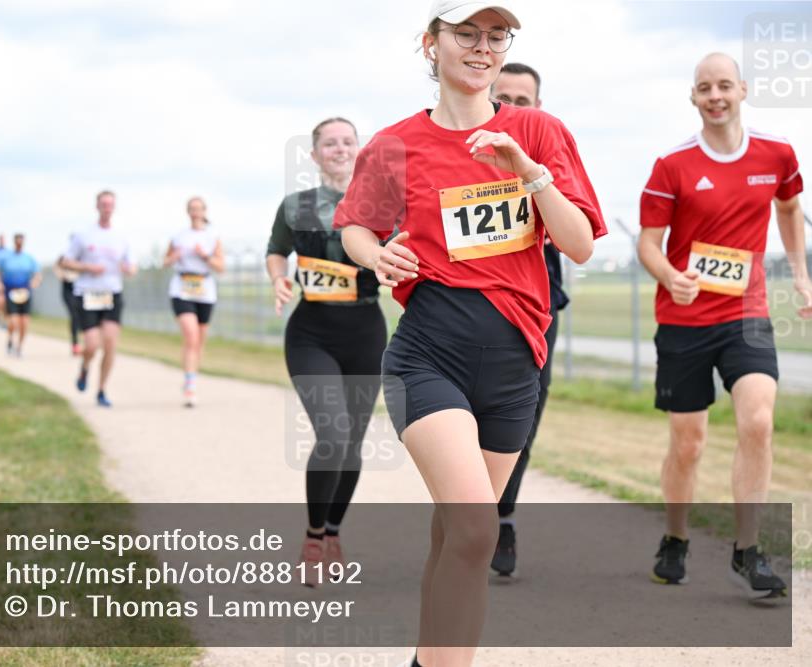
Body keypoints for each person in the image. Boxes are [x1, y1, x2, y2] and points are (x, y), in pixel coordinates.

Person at [335, 2, 605, 664]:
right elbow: (356, 226)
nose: (482, 47)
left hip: (516, 362)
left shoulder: (538, 130)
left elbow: (579, 244)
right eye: (466, 33)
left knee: (457, 537)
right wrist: (377, 256)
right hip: (429, 354)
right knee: (478, 529)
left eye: (497, 35)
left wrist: (529, 171)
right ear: (431, 44)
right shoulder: (396, 142)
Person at [638, 52, 809, 600]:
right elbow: (647, 242)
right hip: (684, 318)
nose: (715, 95)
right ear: (693, 97)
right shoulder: (672, 165)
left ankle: (748, 550)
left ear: (743, 90)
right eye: (704, 87)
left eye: (724, 86)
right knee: (689, 444)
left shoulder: (777, 154)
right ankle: (675, 536)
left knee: (758, 421)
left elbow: (788, 208)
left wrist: (801, 274)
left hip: (747, 314)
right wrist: (671, 275)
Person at [267, 118, 387, 585]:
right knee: (333, 434)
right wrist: (277, 276)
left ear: (359, 151)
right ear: (315, 156)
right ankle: (314, 537)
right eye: (329, 143)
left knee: (353, 443)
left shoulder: (385, 205)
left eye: (348, 141)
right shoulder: (296, 206)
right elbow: (276, 250)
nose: (339, 149)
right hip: (311, 333)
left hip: (365, 332)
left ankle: (334, 530)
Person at [487, 62, 570, 577]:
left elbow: (576, 235)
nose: (514, 108)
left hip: (536, 312)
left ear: (538, 108)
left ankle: (504, 516)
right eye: (505, 98)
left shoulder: (552, 159)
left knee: (522, 420)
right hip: (469, 312)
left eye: (525, 100)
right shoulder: (458, 154)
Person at [62, 191, 137, 407]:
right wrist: (87, 267)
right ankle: (85, 367)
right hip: (87, 293)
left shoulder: (121, 236)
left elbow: (132, 266)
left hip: (112, 293)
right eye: (103, 204)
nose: (107, 207)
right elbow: (66, 261)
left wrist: (128, 268)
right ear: (97, 206)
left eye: (110, 204)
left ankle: (102, 390)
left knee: (111, 343)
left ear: (114, 207)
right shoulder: (84, 234)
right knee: (93, 344)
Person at [164, 196, 225, 407]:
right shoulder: (178, 236)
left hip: (204, 289)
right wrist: (175, 256)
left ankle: (191, 376)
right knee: (190, 336)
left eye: (198, 208)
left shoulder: (212, 236)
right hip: (182, 287)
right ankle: (190, 386)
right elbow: (165, 261)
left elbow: (220, 266)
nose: (195, 212)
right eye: (191, 208)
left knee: (199, 340)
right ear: (187, 211)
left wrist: (205, 255)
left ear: (204, 211)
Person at [0, 234, 41, 357]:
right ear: (14, 242)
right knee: (13, 322)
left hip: (25, 291)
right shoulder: (6, 258)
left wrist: (34, 283)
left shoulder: (29, 258)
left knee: (24, 323)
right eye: (17, 242)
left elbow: (37, 275)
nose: (19, 244)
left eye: (21, 242)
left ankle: (19, 348)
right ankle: (10, 339)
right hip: (11, 291)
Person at [55, 236, 83, 355]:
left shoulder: (82, 256)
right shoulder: (65, 256)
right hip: (68, 289)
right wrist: (62, 275)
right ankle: (75, 344)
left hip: (81, 289)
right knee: (74, 314)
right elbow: (57, 267)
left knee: (82, 316)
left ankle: (84, 342)